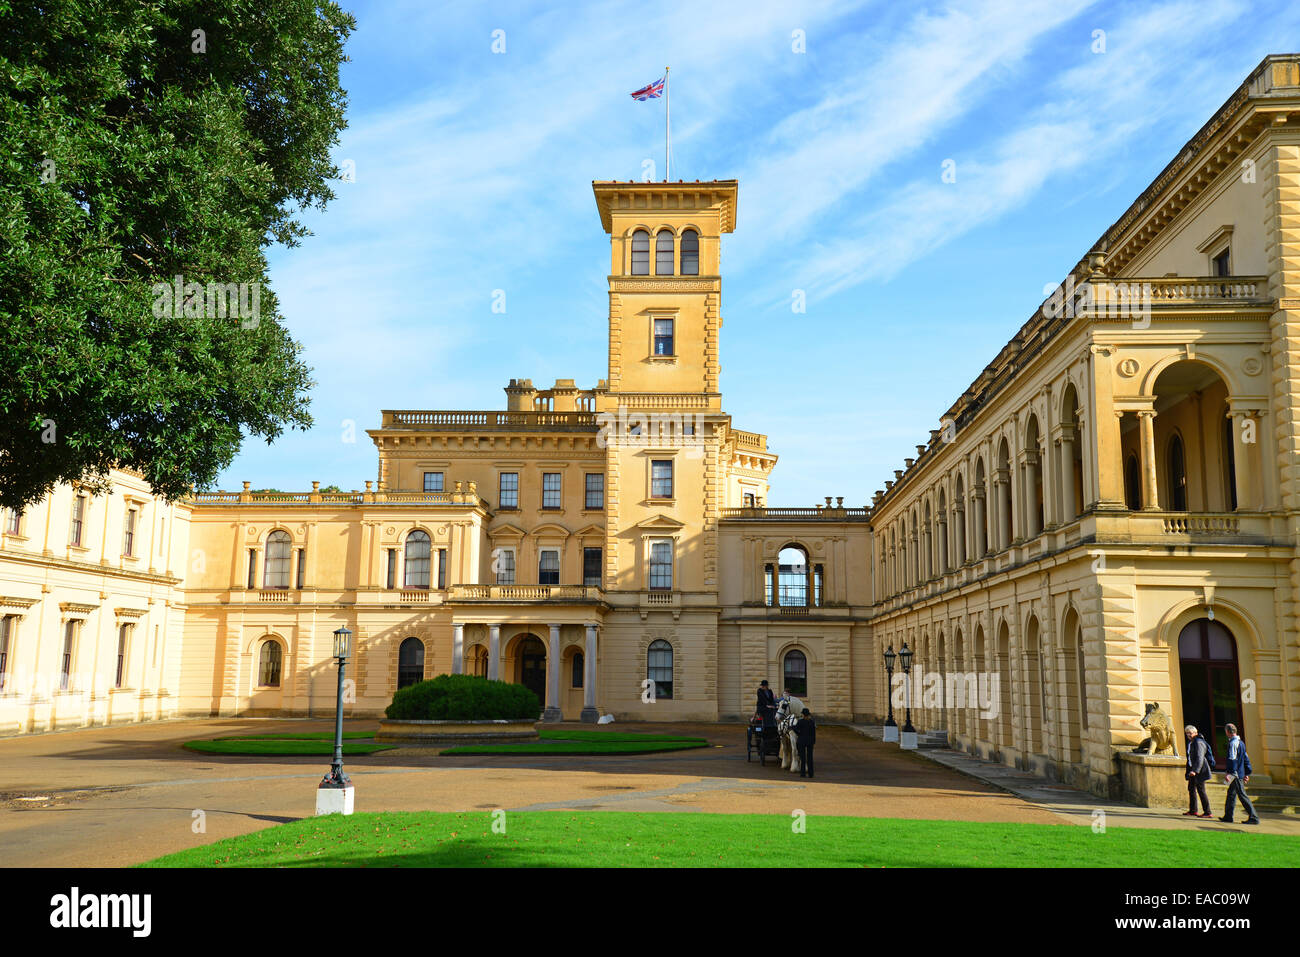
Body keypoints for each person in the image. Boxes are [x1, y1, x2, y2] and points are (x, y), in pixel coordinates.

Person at [1218, 722, 1260, 825]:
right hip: (1239, 773)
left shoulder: (1233, 743)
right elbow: (1246, 759)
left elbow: (1232, 759)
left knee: (1241, 795)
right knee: (1231, 794)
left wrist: (1230, 773)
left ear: (1227, 732)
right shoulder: (1241, 743)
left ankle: (1254, 817)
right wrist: (1247, 772)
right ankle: (1228, 816)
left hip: (1235, 774)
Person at [1183, 724, 1213, 818]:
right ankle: (1193, 810)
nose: (1189, 735)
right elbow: (1190, 759)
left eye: (1190, 733)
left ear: (1195, 733)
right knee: (1191, 789)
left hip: (1200, 770)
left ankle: (1208, 812)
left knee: (1201, 790)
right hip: (1193, 770)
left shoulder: (1198, 742)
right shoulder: (1191, 742)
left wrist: (1195, 771)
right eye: (1187, 733)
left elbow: (1200, 757)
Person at [794, 707, 816, 778]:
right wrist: (813, 741)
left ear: (803, 715)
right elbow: (813, 733)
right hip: (810, 741)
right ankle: (811, 773)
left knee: (802, 758)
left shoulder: (800, 721)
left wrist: (799, 734)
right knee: (810, 758)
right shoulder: (812, 722)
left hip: (802, 741)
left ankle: (802, 773)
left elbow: (796, 729)